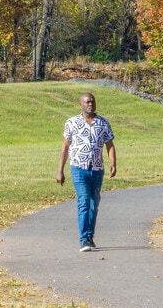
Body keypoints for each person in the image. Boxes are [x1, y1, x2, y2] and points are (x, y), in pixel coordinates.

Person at [56, 92, 117, 252]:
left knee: (94, 203)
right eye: (87, 102)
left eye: (93, 102)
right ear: (81, 104)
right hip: (78, 168)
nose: (91, 104)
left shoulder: (103, 123)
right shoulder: (72, 122)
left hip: (97, 169)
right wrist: (60, 170)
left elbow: (109, 145)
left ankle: (90, 236)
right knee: (84, 201)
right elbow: (66, 147)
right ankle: (84, 239)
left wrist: (113, 163)